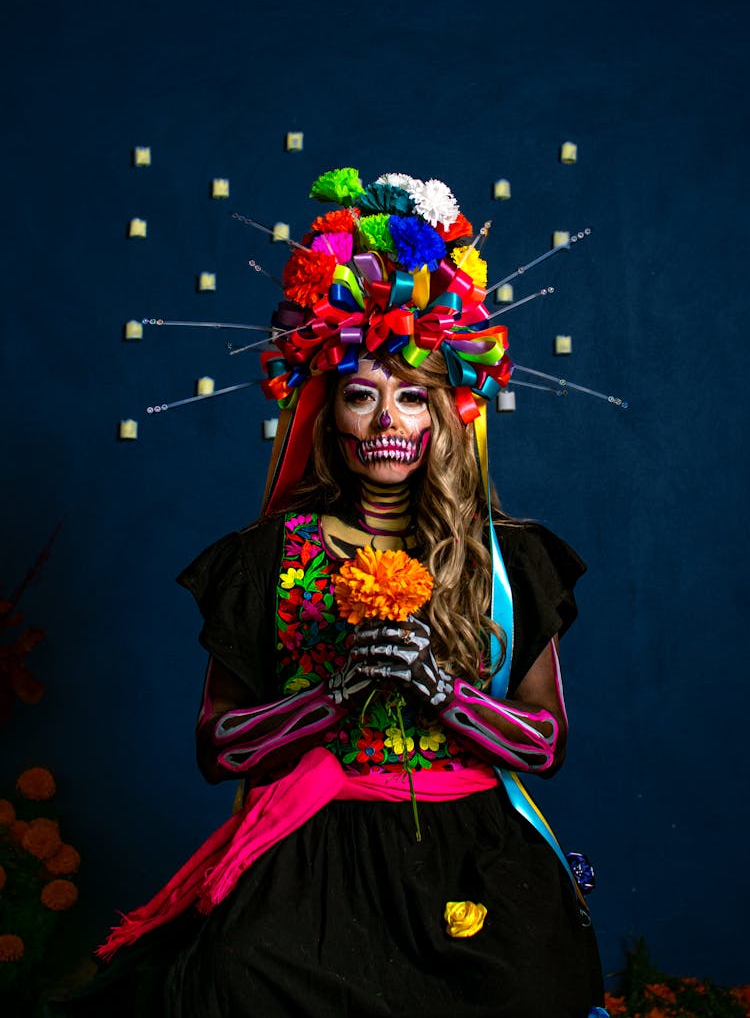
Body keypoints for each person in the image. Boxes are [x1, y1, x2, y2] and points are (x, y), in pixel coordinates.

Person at [46, 169, 607, 1018]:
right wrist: (332, 695)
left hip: (473, 852)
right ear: (328, 415)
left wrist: (442, 692)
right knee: (238, 977)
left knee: (537, 989)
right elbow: (218, 749)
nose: (387, 419)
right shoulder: (267, 558)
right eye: (361, 394)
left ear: (445, 414)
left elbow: (546, 743)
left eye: (411, 396)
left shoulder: (509, 558)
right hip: (316, 842)